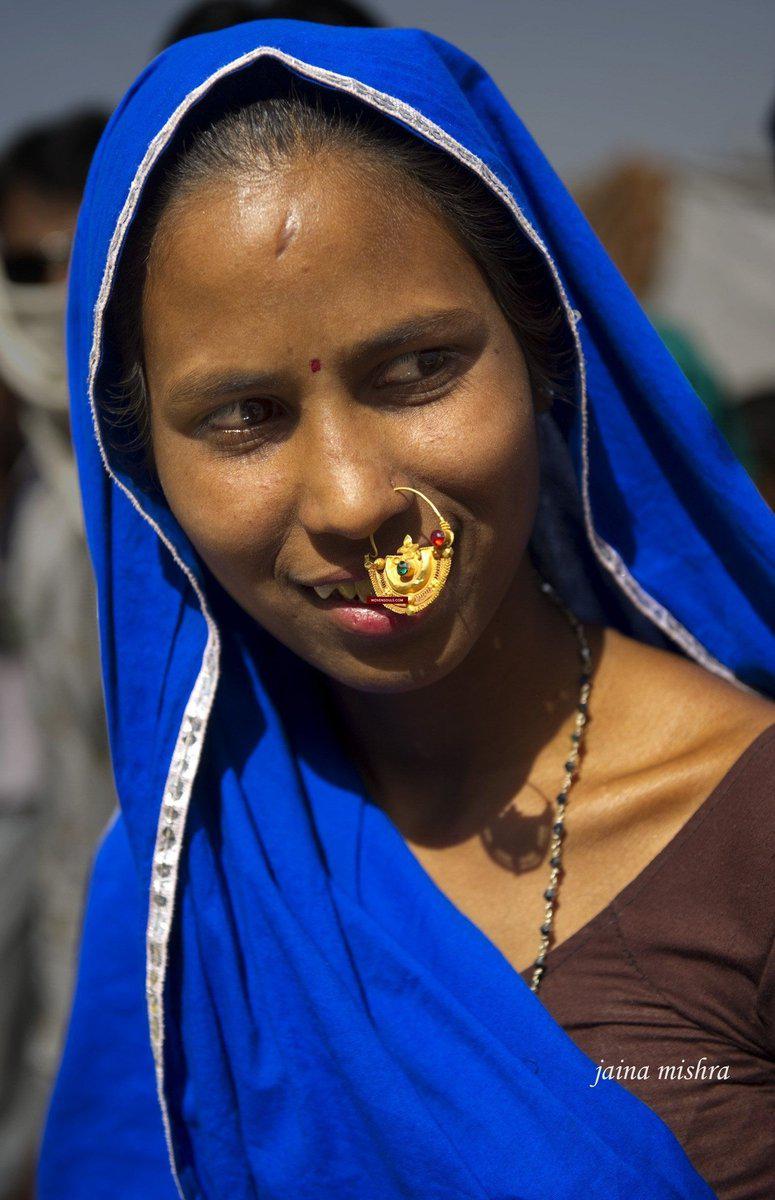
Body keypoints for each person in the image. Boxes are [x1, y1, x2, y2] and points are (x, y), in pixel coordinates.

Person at [37, 20, 774, 1200]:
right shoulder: (184, 883)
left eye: (420, 368)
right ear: (143, 475)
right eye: (243, 416)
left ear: (541, 351)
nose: (351, 501)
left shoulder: (749, 830)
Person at [0, 109, 115, 1199]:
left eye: (80, 256)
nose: (50, 287)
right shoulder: (44, 520)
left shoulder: (190, 511)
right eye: (23, 265)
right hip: (76, 990)